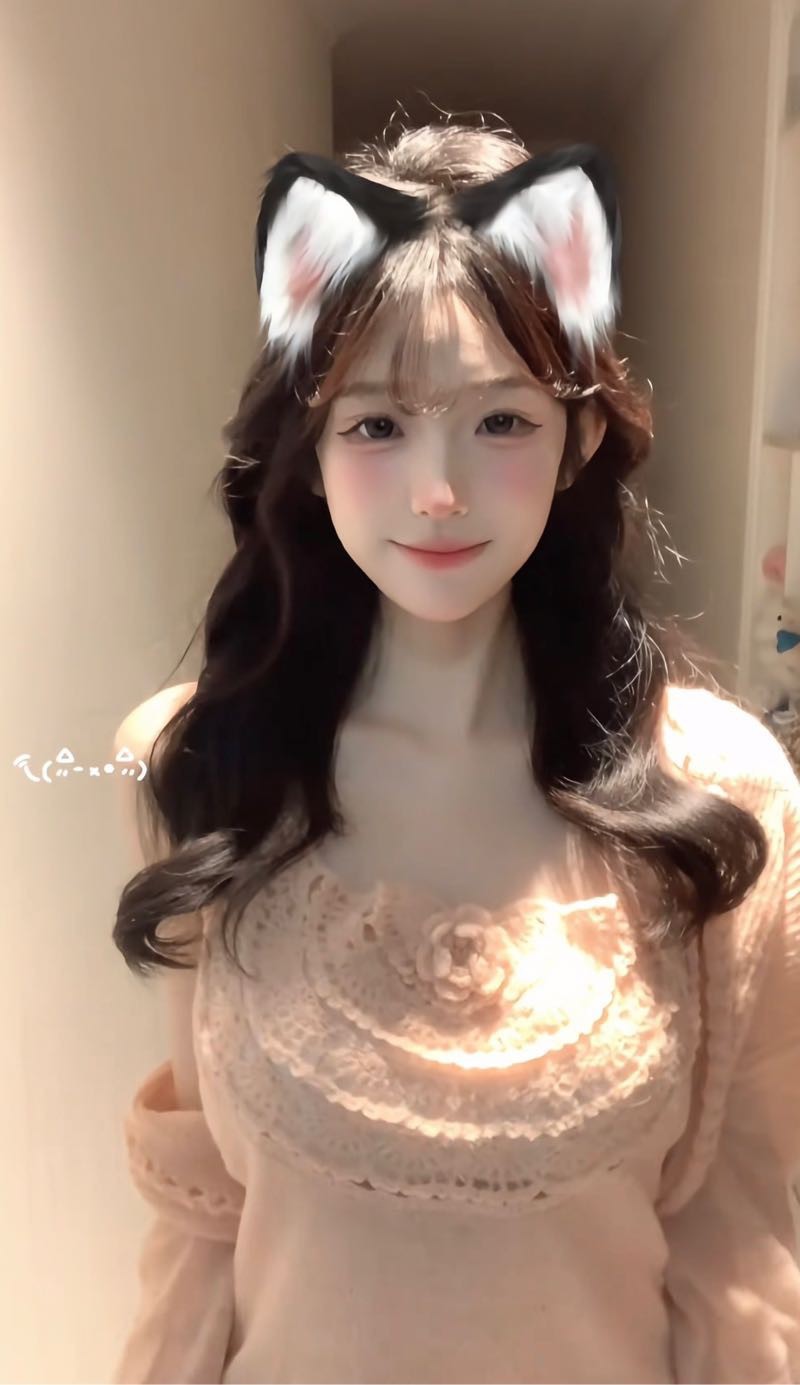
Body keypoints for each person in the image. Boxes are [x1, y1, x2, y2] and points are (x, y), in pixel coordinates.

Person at [110, 121, 800, 1383]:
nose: (437, 487)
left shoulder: (725, 789)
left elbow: (740, 1250)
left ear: (577, 436)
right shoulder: (198, 761)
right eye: (377, 424)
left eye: (499, 421)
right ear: (309, 449)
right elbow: (203, 1228)